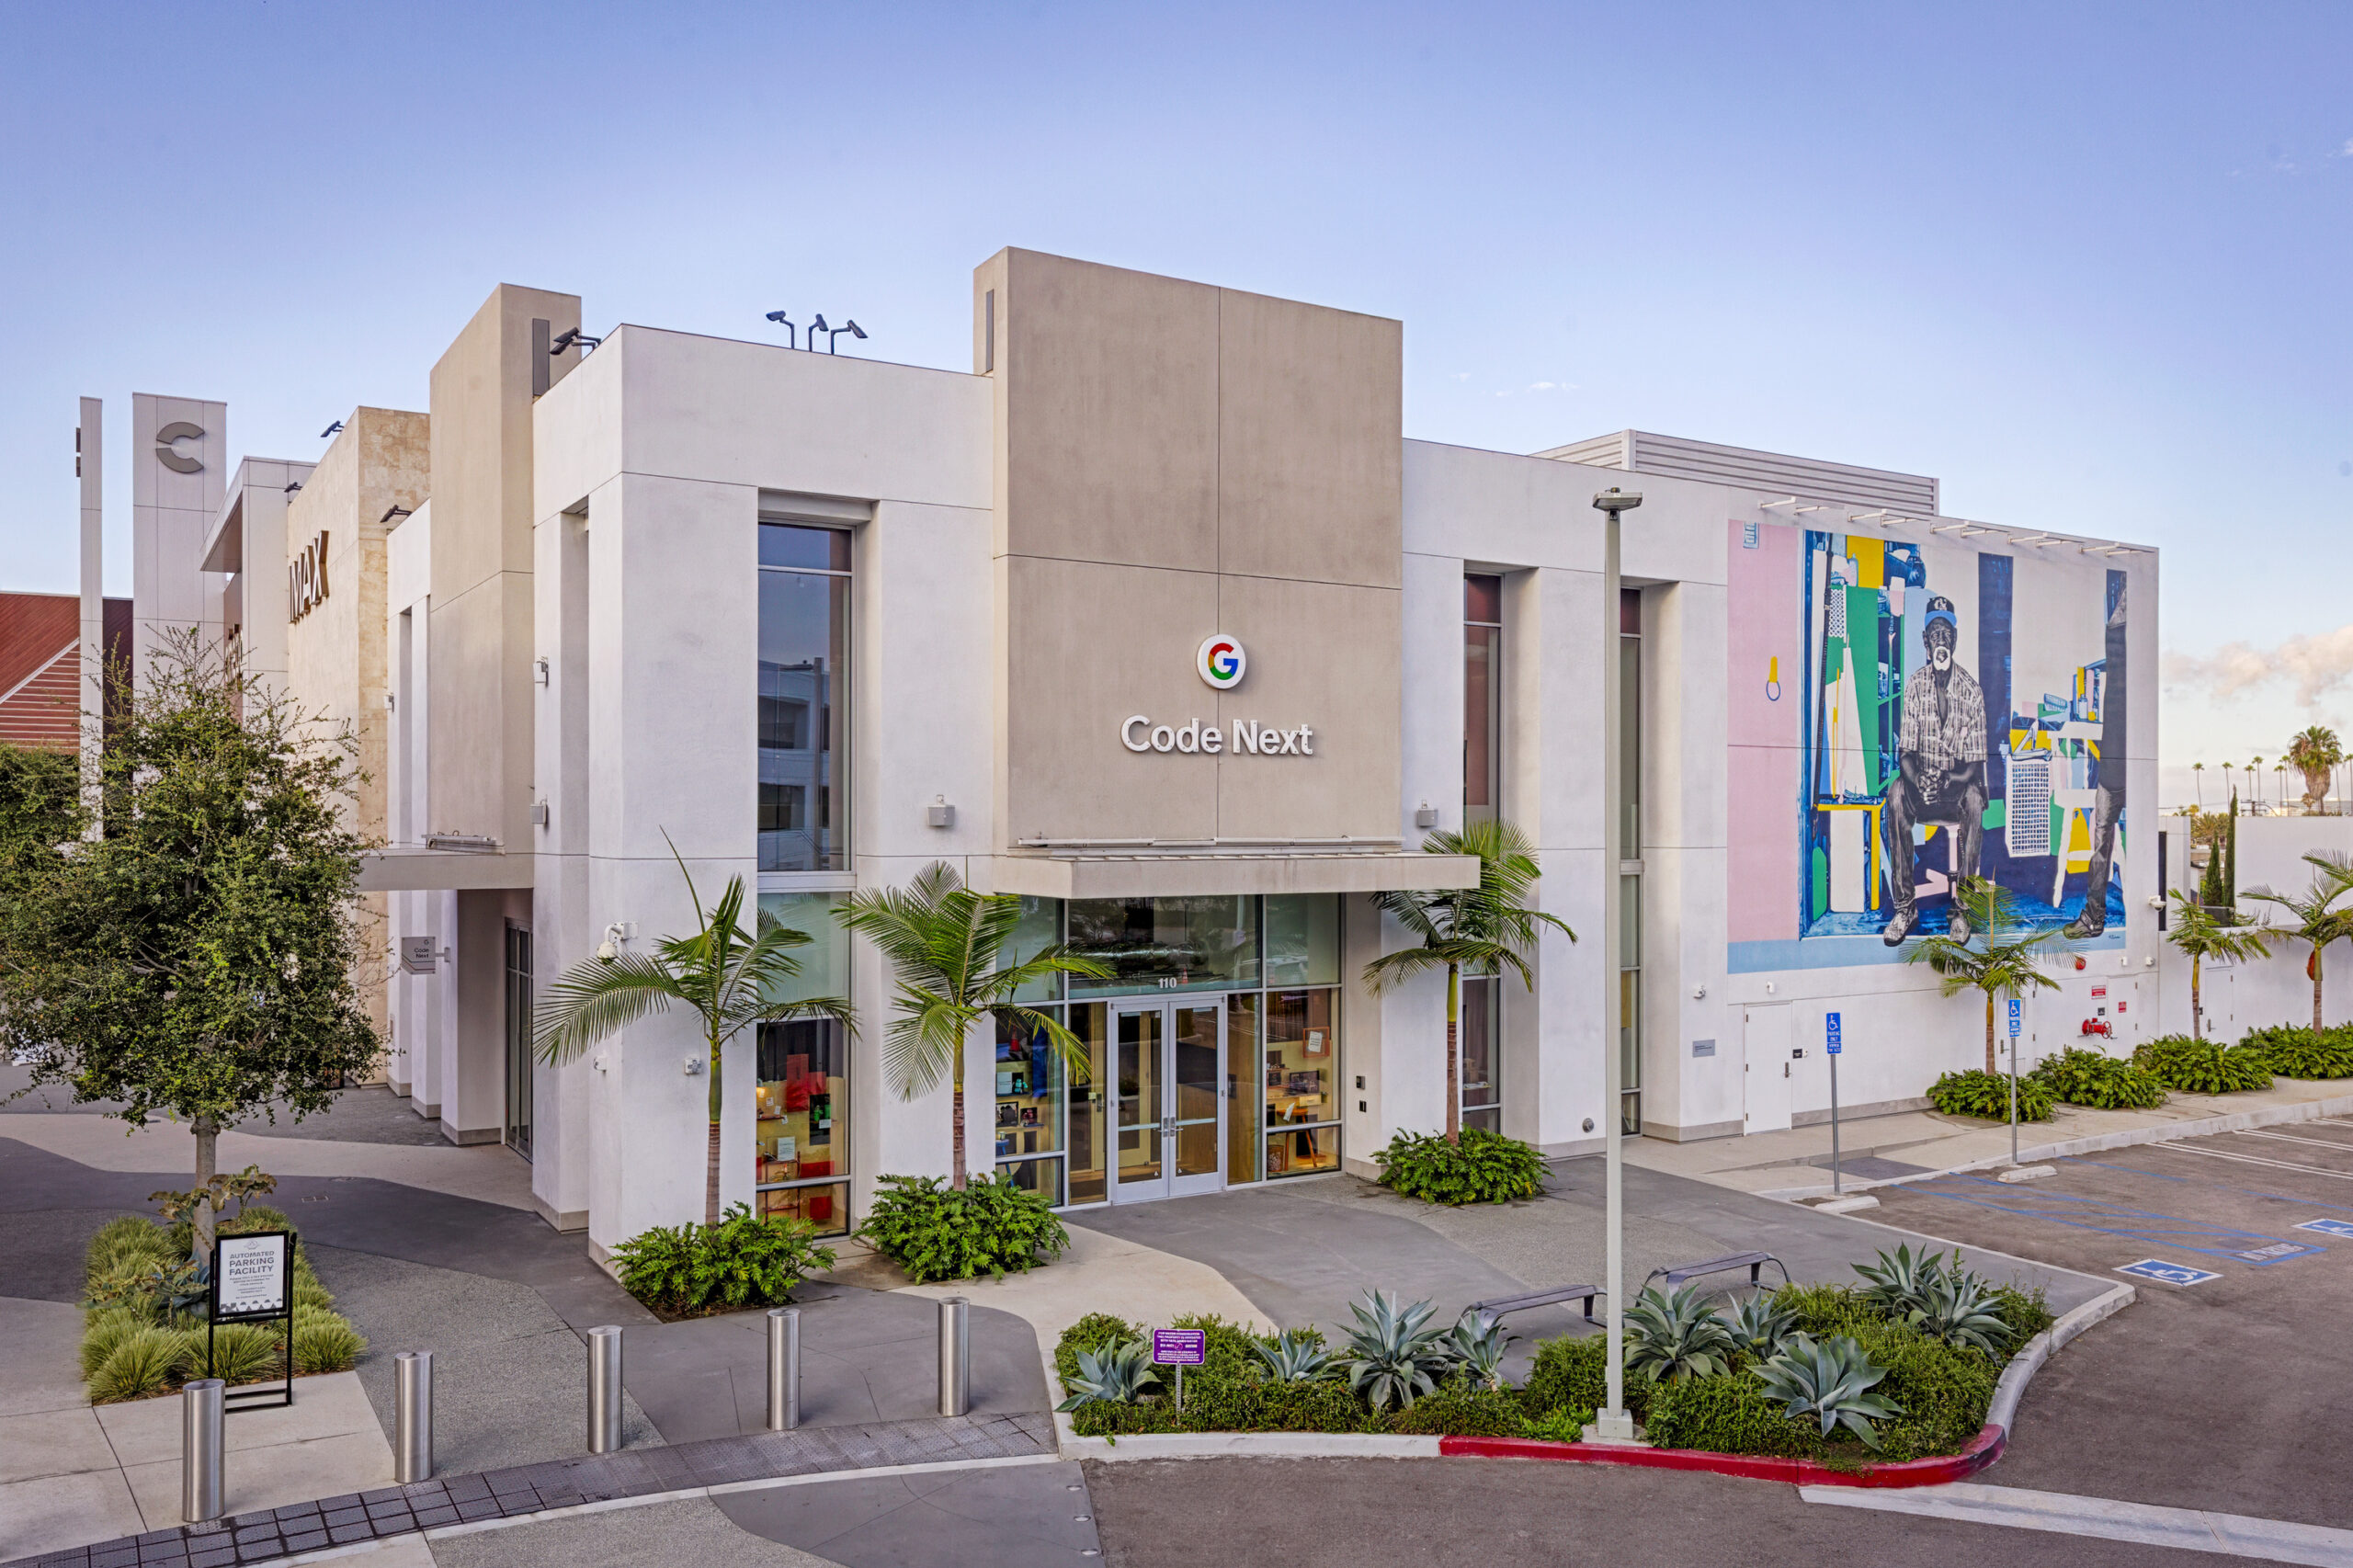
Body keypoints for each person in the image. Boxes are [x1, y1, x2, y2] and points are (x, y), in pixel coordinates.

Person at [1882, 596, 1986, 945]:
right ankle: (1905, 907)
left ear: (1954, 641)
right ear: (1925, 642)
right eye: (1934, 634)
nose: (1940, 641)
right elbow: (1906, 754)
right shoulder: (1914, 686)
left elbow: (1973, 764)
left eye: (1946, 634)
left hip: (1955, 788)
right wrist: (1918, 780)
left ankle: (1962, 910)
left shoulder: (1971, 691)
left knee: (1975, 801)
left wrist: (1948, 781)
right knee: (1895, 795)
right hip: (1922, 786)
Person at [2064, 582, 2127, 938]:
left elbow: (2115, 629)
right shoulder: (2115, 672)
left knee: (2101, 845)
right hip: (2112, 773)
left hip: (2121, 772)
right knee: (2099, 847)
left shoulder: (2125, 665)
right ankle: (2093, 917)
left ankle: (2094, 917)